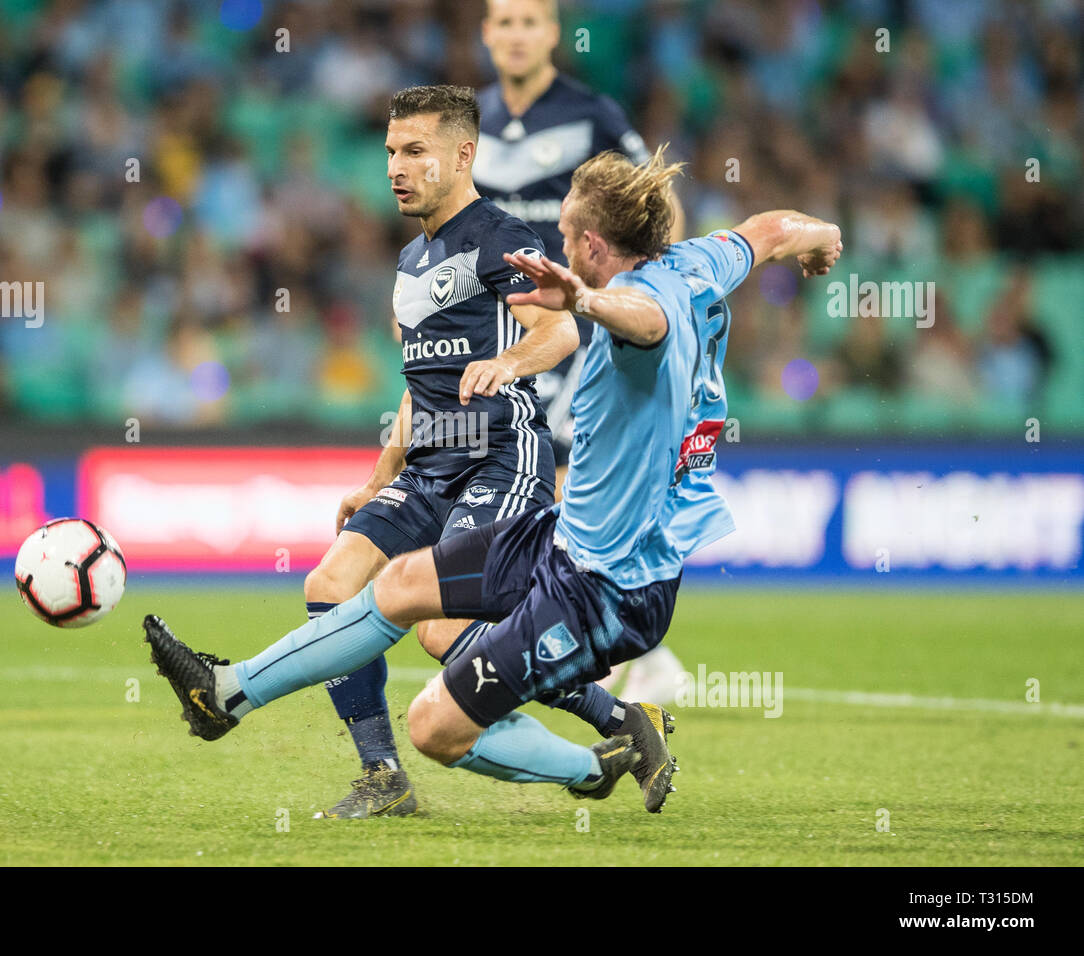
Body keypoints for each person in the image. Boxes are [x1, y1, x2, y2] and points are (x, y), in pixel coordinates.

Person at [142, 148, 842, 812]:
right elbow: (768, 229)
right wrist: (821, 236)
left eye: (568, 229)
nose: (561, 240)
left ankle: (598, 761)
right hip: (567, 540)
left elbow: (646, 322)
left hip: (611, 587)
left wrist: (585, 304)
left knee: (433, 727)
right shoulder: (699, 262)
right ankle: (225, 693)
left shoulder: (634, 301)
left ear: (594, 244)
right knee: (402, 584)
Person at [302, 84, 578, 817]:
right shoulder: (409, 260)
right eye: (391, 151)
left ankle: (608, 717)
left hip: (497, 454)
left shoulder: (502, 236)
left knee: (439, 630)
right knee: (331, 585)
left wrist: (510, 363)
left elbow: (562, 330)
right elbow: (415, 391)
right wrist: (375, 481)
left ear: (463, 155)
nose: (396, 166)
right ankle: (384, 776)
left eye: (416, 151)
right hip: (428, 466)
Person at [475, 0, 690, 705]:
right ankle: (542, 637)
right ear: (486, 33)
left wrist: (650, 283)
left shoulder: (591, 113)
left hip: (571, 328)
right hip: (496, 329)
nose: (515, 35)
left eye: (528, 22)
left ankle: (626, 644)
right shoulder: (469, 119)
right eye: (503, 22)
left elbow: (657, 205)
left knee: (568, 477)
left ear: (552, 35)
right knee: (511, 484)